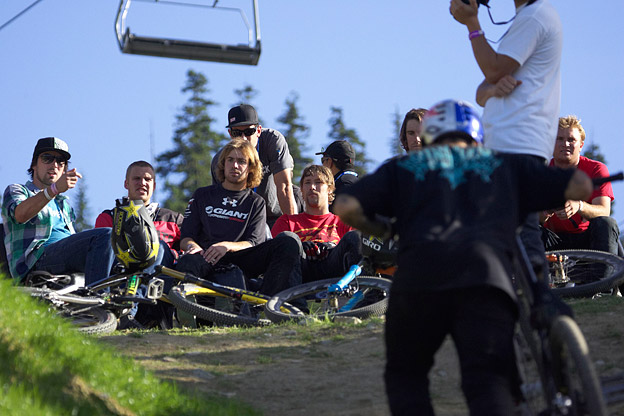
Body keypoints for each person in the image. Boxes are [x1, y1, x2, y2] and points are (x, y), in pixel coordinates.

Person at [332, 99, 593, 416]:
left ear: (428, 137)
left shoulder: (403, 168)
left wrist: (383, 228)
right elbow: (580, 185)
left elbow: (345, 207)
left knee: (407, 377)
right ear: (477, 134)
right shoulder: (502, 163)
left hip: (417, 281)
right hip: (485, 282)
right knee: (488, 383)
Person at [450, 0, 563, 270]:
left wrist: (472, 24)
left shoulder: (535, 16)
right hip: (511, 141)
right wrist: (491, 89)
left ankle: (542, 305)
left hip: (519, 141)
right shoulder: (529, 17)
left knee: (522, 232)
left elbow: (493, 70)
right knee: (501, 231)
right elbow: (483, 88)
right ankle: (527, 304)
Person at [178, 139, 302, 297]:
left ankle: (267, 304)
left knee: (288, 243)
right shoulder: (202, 195)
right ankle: (186, 306)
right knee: (187, 261)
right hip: (205, 256)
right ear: (223, 163)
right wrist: (192, 247)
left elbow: (254, 242)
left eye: (241, 161)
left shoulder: (256, 202)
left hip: (239, 257)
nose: (235, 166)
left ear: (251, 168)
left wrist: (227, 246)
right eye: (230, 160)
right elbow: (186, 237)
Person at [1, 137, 115, 285]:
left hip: (66, 260)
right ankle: (100, 296)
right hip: (35, 262)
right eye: (47, 158)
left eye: (60, 161)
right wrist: (53, 190)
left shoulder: (64, 205)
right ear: (34, 164)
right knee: (105, 235)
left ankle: (128, 307)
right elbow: (20, 214)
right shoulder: (18, 190)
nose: (54, 165)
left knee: (135, 256)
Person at [211, 104, 298, 228]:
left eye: (248, 132)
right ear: (230, 134)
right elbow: (221, 205)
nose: (243, 138)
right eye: (237, 133)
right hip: (244, 221)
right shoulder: (220, 161)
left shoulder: (272, 141)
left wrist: (294, 233)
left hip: (277, 216)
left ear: (258, 131)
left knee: (298, 193)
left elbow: (284, 187)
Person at [542, 116, 619, 254]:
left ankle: (603, 275)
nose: (565, 144)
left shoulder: (596, 169)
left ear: (581, 145)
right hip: (549, 240)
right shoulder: (540, 172)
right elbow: (528, 217)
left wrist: (579, 206)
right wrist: (546, 210)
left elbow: (604, 211)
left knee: (606, 224)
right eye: (559, 139)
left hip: (587, 240)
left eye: (571, 140)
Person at [271, 165, 362, 283]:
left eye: (318, 182)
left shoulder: (343, 222)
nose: (312, 187)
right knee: (287, 238)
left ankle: (363, 291)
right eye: (307, 183)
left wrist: (332, 249)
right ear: (302, 190)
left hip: (333, 269)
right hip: (300, 269)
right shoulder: (287, 221)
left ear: (329, 189)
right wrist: (299, 247)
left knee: (355, 236)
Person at [95, 160, 184, 267]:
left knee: (159, 247)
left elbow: (188, 251)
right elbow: (101, 255)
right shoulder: (109, 217)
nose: (142, 183)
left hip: (162, 278)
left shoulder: (174, 219)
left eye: (147, 179)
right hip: (121, 277)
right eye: (137, 178)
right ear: (126, 184)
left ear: (154, 186)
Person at [315, 140, 359, 209]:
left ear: (329, 161)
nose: (322, 165)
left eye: (323, 160)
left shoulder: (342, 184)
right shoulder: (358, 182)